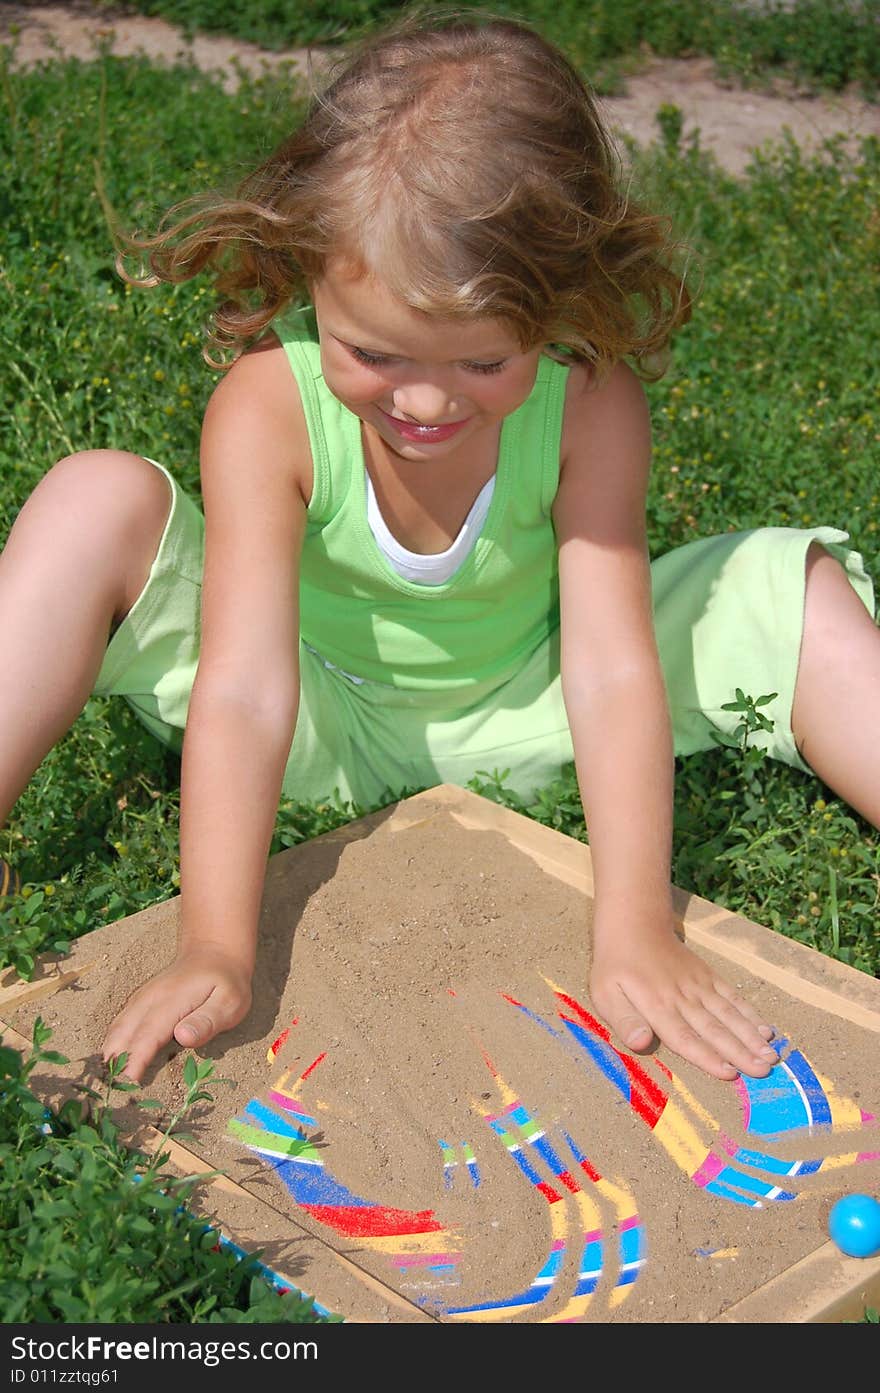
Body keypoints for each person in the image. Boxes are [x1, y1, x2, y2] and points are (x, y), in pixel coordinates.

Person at [2, 10, 879, 1088]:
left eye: (480, 362)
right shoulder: (266, 410)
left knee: (786, 589)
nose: (421, 399)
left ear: (558, 306)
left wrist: (635, 924)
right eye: (370, 350)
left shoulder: (591, 404)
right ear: (305, 271)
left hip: (529, 703)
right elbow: (239, 689)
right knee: (95, 496)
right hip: (314, 711)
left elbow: (606, 669)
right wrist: (215, 942)